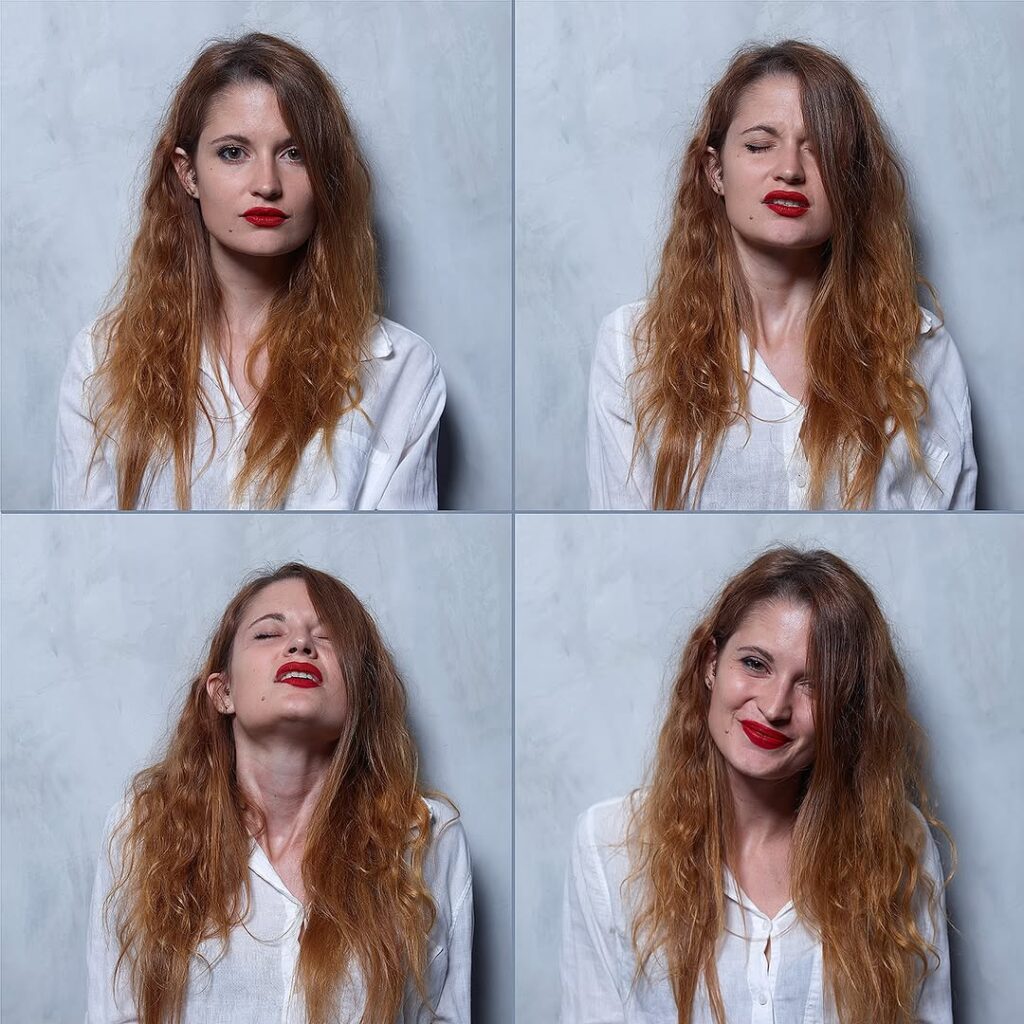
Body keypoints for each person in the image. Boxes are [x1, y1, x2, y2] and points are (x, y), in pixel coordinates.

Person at [561, 547, 953, 1024]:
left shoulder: (897, 844)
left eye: (814, 684)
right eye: (755, 664)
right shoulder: (608, 846)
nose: (774, 706)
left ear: (846, 710)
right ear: (711, 663)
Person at [54, 33, 445, 510]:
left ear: (326, 174)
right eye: (233, 152)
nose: (266, 184)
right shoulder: (102, 360)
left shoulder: (403, 370)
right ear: (188, 173)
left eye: (295, 153)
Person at [588, 40, 976, 510]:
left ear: (850, 179)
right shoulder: (632, 347)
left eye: (820, 152)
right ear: (715, 172)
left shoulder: (921, 351)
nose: (789, 170)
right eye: (758, 146)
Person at [86, 563, 471, 1023]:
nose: (300, 644)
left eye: (327, 638)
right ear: (222, 691)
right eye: (268, 634)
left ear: (359, 694)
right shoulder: (141, 829)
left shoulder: (425, 836)